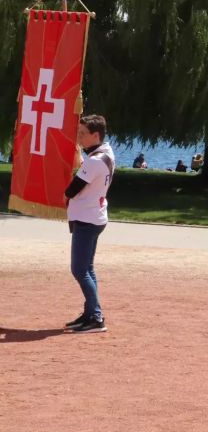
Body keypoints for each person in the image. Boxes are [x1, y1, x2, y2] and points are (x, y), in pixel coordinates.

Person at [63, 114, 116, 333]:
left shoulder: (94, 161)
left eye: (83, 134)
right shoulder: (106, 153)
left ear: (96, 135)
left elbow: (71, 190)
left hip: (87, 219)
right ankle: (91, 313)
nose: (79, 138)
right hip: (95, 216)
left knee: (79, 270)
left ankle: (95, 317)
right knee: (87, 269)